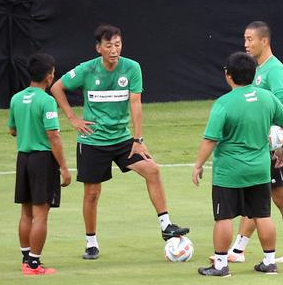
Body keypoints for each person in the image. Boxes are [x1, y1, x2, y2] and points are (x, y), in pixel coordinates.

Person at [50, 24, 189, 260]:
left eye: (118, 44)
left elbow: (136, 104)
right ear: (98, 48)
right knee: (92, 193)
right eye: (109, 45)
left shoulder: (132, 68)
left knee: (152, 170)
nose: (114, 50)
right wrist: (73, 118)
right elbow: (56, 87)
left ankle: (166, 226)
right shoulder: (87, 70)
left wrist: (138, 140)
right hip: (93, 141)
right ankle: (91, 243)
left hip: (123, 139)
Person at [193, 51, 283, 277]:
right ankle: (269, 262)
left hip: (229, 172)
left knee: (224, 217)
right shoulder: (267, 98)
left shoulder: (224, 104)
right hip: (259, 169)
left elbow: (211, 139)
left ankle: (221, 265)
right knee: (263, 215)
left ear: (228, 75)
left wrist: (198, 164)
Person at [223, 21, 283, 264]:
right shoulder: (257, 69)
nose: (246, 44)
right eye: (245, 39)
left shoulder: (274, 70)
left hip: (274, 148)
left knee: (280, 197)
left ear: (264, 41)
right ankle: (238, 250)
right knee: (257, 194)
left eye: (250, 39)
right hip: (259, 146)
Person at [9, 53, 72, 276]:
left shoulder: (16, 99)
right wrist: (64, 167)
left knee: (26, 213)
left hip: (23, 159)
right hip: (42, 161)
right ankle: (34, 265)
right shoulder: (47, 101)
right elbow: (53, 136)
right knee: (41, 215)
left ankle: (26, 259)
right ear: (49, 75)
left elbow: (12, 129)